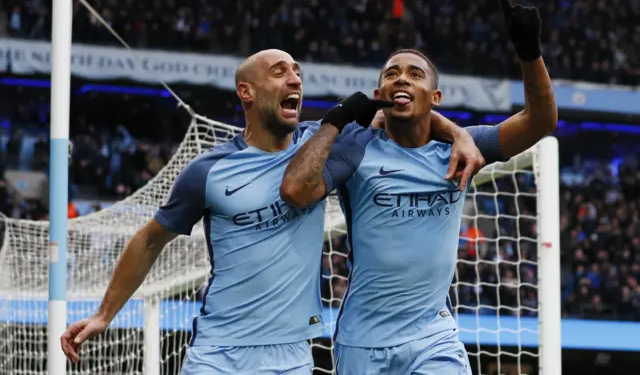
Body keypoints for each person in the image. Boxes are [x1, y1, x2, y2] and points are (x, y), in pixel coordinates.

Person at [60, 49, 485, 374]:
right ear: (246, 91)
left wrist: (456, 131)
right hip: (216, 353)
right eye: (279, 71)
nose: (294, 78)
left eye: (298, 72)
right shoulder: (208, 171)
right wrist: (104, 314)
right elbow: (150, 239)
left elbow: (401, 112)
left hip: (292, 357)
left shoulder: (323, 146)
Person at [279, 0, 557, 374]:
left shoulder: (463, 148)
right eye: (392, 74)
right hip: (363, 339)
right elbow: (296, 189)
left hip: (433, 337)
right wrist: (338, 120)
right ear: (379, 93)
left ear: (435, 96)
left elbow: (540, 121)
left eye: (415, 74)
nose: (402, 79)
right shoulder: (355, 149)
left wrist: (530, 53)